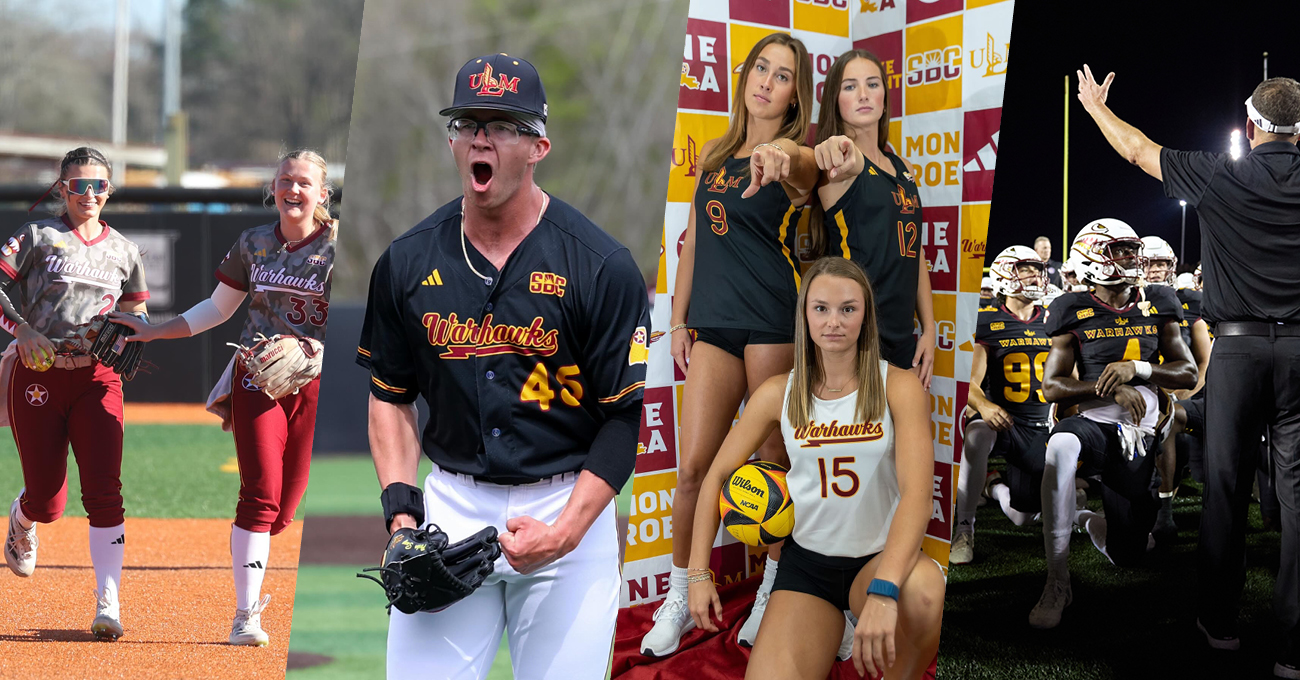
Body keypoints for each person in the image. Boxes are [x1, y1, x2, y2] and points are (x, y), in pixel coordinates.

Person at [359, 53, 648, 679]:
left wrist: (566, 533)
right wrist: (402, 516)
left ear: (538, 144)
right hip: (450, 510)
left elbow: (624, 421)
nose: (481, 137)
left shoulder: (600, 265)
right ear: (453, 140)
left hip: (567, 505)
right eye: (468, 122)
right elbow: (391, 394)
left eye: (503, 124)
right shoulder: (407, 262)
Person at [1078, 67, 1300, 674]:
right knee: (1298, 495)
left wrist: (1096, 108)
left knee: (1225, 491)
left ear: (1250, 126)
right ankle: (1293, 647)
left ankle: (1220, 623)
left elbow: (1135, 147)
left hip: (1237, 349)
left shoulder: (1221, 172)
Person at [109, 149, 335, 646]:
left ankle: (251, 580)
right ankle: (245, 615)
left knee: (282, 513)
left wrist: (317, 346)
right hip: (256, 374)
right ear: (272, 188)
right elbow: (216, 308)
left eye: (303, 183)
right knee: (259, 494)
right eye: (284, 181)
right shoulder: (253, 243)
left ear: (323, 194)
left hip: (314, 384)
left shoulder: (338, 247)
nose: (292, 191)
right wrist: (154, 330)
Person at [686, 256, 944, 680]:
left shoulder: (898, 386)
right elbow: (716, 475)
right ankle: (832, 628)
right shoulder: (778, 392)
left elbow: (917, 497)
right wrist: (698, 572)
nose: (833, 322)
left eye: (848, 309)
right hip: (808, 567)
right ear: (805, 314)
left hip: (877, 561)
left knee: (926, 594)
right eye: (821, 308)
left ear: (866, 316)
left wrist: (884, 590)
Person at [646, 33, 819, 657]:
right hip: (714, 325)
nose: (767, 81)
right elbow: (692, 243)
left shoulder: (794, 155)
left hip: (773, 321)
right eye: (761, 69)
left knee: (771, 472)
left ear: (796, 92)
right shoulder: (717, 155)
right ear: (746, 77)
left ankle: (773, 589)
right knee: (692, 470)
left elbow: (801, 176)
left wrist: (782, 157)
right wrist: (680, 320)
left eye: (783, 75)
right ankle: (679, 593)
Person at [1, 147, 149, 641]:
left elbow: (137, 313)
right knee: (48, 501)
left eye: (99, 186)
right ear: (62, 187)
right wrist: (22, 330)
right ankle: (24, 517)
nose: (89, 194)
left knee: (105, 490)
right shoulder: (39, 236)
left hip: (97, 378)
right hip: (39, 373)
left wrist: (134, 333)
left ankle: (108, 603)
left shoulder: (125, 251)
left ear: (110, 191)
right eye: (79, 185)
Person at [1030, 219, 1196, 629]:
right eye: (1119, 251)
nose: (1131, 259)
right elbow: (1052, 386)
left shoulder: (1157, 300)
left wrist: (1136, 370)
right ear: (1092, 258)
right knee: (1061, 446)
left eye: (1130, 250)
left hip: (1139, 437)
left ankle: (1087, 519)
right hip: (1095, 427)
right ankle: (1057, 578)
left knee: (1130, 554)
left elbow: (1188, 372)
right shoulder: (1072, 308)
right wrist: (1108, 388)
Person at [813, 50, 935, 388]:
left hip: (902, 336)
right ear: (835, 100)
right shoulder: (838, 160)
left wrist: (929, 327)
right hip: (856, 334)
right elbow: (846, 159)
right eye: (850, 86)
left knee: (908, 438)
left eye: (872, 84)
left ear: (885, 97)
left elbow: (915, 252)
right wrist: (841, 148)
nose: (864, 94)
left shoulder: (902, 167)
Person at [952, 246, 1053, 565]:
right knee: (977, 434)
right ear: (1005, 275)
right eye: (1027, 269)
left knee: (1024, 518)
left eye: (1038, 269)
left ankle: (993, 487)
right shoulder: (987, 321)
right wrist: (984, 406)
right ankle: (964, 526)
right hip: (1004, 421)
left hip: (1039, 425)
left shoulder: (1053, 319)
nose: (1036, 275)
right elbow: (969, 383)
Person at [1139, 235, 1211, 541]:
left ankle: (1164, 511)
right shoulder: (1126, 303)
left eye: (1161, 263)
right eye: (1149, 263)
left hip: (1185, 395)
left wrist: (1183, 394)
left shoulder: (1190, 302)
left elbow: (1204, 362)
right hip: (1141, 394)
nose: (1155, 270)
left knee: (1169, 421)